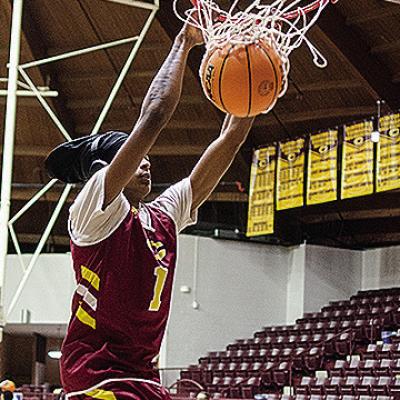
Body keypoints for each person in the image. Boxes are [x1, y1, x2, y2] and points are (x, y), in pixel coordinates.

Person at [45, 12, 254, 400]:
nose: (145, 161)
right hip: (96, 375)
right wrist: (184, 42)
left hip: (143, 378)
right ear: (104, 170)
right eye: (133, 156)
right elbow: (154, 115)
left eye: (146, 157)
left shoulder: (161, 217)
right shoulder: (94, 211)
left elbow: (230, 142)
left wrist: (250, 96)